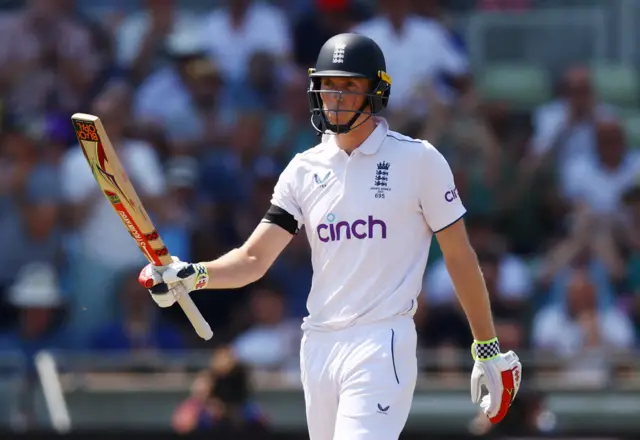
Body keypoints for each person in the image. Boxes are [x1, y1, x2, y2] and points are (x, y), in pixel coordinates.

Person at [138, 33, 522, 440]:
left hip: (382, 340)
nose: (334, 97)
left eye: (349, 87)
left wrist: (485, 347)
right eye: (328, 85)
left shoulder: (419, 160)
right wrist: (191, 275)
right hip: (318, 344)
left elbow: (460, 257)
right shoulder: (303, 169)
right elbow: (253, 259)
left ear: (376, 93)